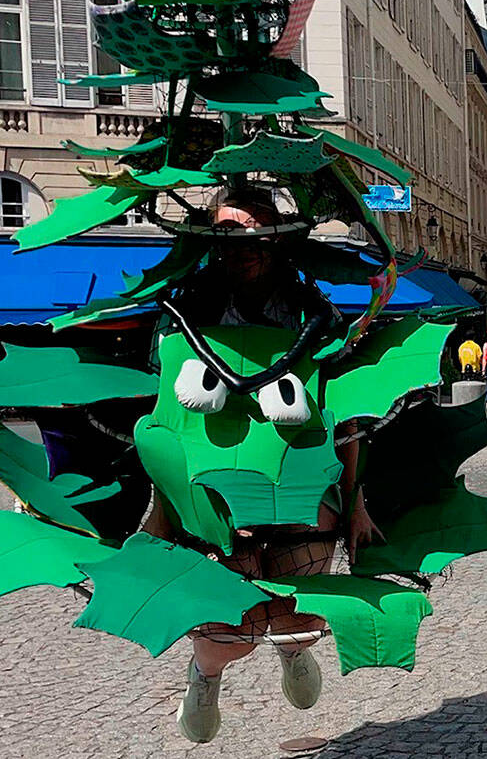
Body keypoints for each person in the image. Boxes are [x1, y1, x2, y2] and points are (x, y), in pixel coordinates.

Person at [158, 188, 385, 742]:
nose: (246, 249)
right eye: (232, 238)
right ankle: (205, 675)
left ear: (277, 241)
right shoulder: (183, 312)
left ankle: (294, 653)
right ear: (214, 245)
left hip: (299, 490)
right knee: (222, 630)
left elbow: (347, 419)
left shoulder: (315, 315)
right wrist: (162, 512)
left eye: (257, 237)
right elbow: (164, 423)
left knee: (297, 619)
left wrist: (355, 504)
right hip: (210, 496)